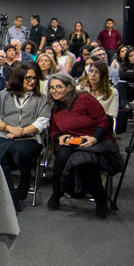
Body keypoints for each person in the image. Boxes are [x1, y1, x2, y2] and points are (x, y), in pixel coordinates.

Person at [47, 72, 123, 218]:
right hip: (68, 141)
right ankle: (57, 193)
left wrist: (94, 138)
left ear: (69, 87)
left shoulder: (84, 98)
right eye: (52, 87)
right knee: (62, 157)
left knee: (87, 161)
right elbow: (53, 130)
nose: (54, 90)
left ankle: (100, 199)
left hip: (92, 139)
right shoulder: (54, 105)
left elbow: (103, 120)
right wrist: (59, 137)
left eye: (59, 87)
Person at [0, 63, 50, 211]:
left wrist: (20, 132)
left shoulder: (41, 98)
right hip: (3, 135)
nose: (32, 81)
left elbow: (42, 121)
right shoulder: (3, 95)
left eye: (34, 78)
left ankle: (25, 179)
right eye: (28, 78)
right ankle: (12, 196)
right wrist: (9, 128)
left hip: (29, 137)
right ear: (19, 78)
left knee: (20, 152)